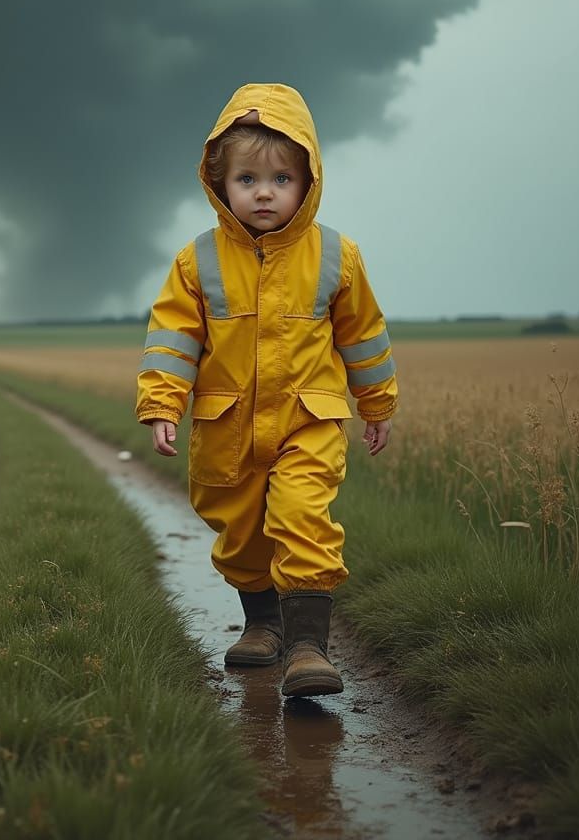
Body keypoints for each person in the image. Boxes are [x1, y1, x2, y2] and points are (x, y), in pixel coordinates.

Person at [136, 83, 398, 698]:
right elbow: (172, 338)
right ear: (219, 184)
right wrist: (161, 404)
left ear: (308, 181)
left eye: (282, 178)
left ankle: (308, 647)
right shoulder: (197, 261)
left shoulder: (337, 255)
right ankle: (263, 625)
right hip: (227, 429)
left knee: (302, 517)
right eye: (248, 178)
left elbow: (363, 336)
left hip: (309, 419)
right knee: (241, 532)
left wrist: (377, 403)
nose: (263, 191)